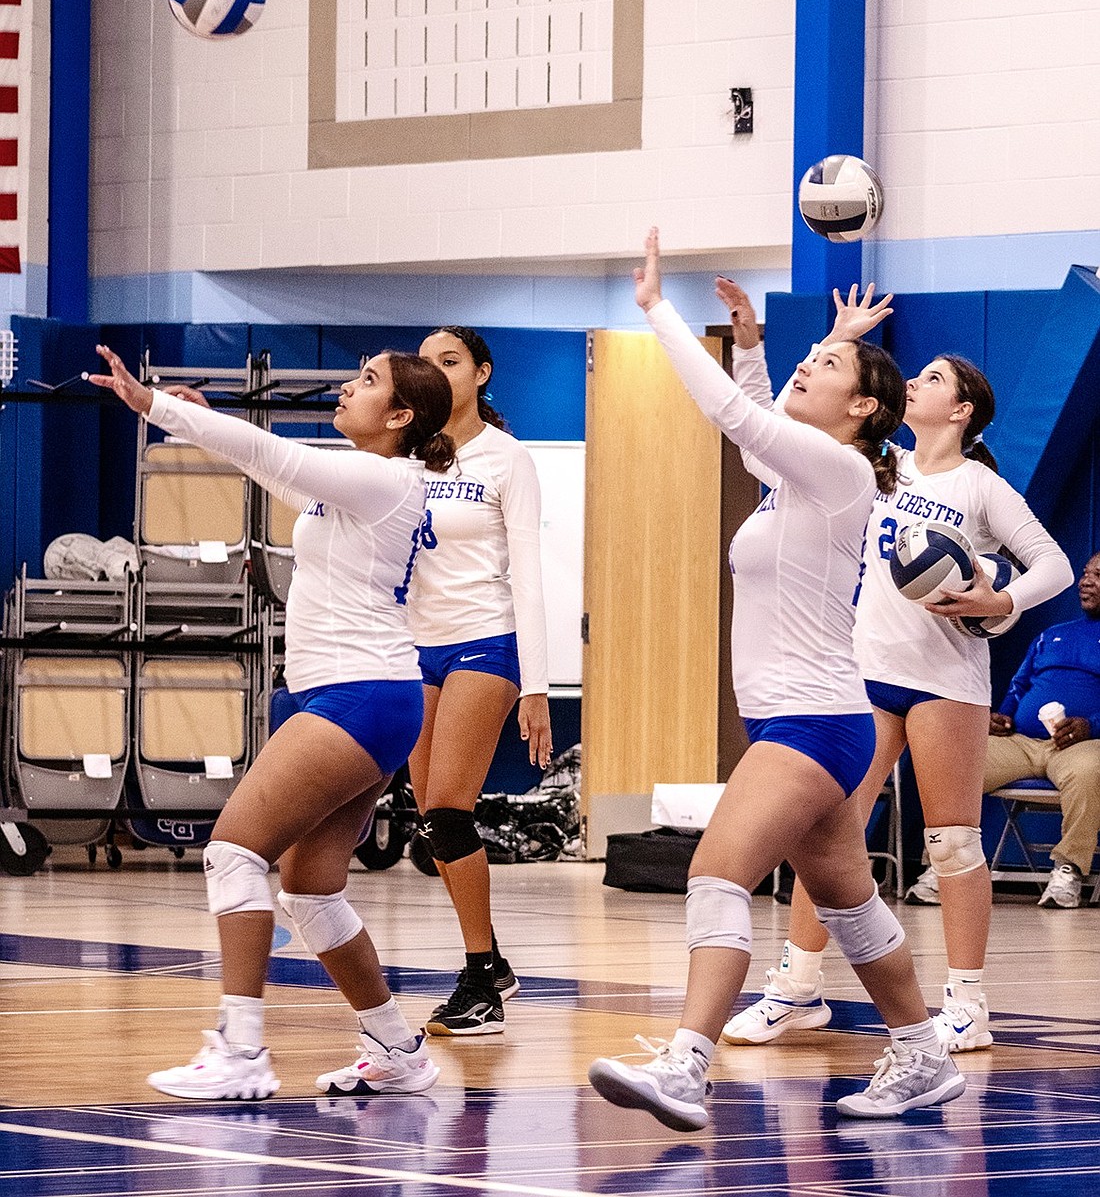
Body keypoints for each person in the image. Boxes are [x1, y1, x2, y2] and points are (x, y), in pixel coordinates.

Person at [588, 230, 964, 1130]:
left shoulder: (835, 472)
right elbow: (758, 415)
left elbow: (734, 413)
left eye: (826, 364)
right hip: (805, 719)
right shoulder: (799, 477)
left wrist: (657, 309)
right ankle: (921, 1053)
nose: (809, 367)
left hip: (813, 721)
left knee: (717, 873)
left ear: (866, 407)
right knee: (849, 901)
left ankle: (687, 1065)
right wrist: (756, 343)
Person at [89, 343, 455, 1101]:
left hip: (361, 693)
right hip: (349, 694)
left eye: (368, 381)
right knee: (313, 888)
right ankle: (396, 1046)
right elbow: (272, 466)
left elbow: (276, 455)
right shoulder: (365, 480)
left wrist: (159, 408)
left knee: (232, 850)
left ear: (399, 416)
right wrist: (199, 420)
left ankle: (242, 1050)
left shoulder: (384, 476)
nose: (350, 388)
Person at [721, 284, 1073, 1054]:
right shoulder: (874, 464)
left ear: (964, 411)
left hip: (946, 675)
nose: (918, 382)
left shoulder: (979, 486)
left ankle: (968, 1004)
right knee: (830, 830)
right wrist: (836, 337)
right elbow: (777, 429)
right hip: (860, 669)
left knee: (952, 841)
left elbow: (1052, 560)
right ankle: (797, 987)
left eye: (937, 380)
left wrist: (999, 598)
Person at [406, 326, 552, 1035]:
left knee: (449, 811)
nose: (434, 370)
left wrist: (538, 684)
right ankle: (492, 959)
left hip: (485, 644)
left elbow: (529, 571)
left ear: (481, 372)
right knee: (430, 824)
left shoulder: (506, 457)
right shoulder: (409, 454)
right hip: (415, 649)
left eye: (449, 360)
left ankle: (478, 987)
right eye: (425, 362)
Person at [985, 551, 1100, 908]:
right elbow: (1019, 686)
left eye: (1098, 575)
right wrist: (1003, 716)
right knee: (961, 764)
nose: (1085, 581)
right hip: (1021, 742)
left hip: (1082, 745)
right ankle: (947, 865)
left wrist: (1091, 725)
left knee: (1089, 772)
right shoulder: (1053, 635)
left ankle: (1069, 871)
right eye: (1085, 573)